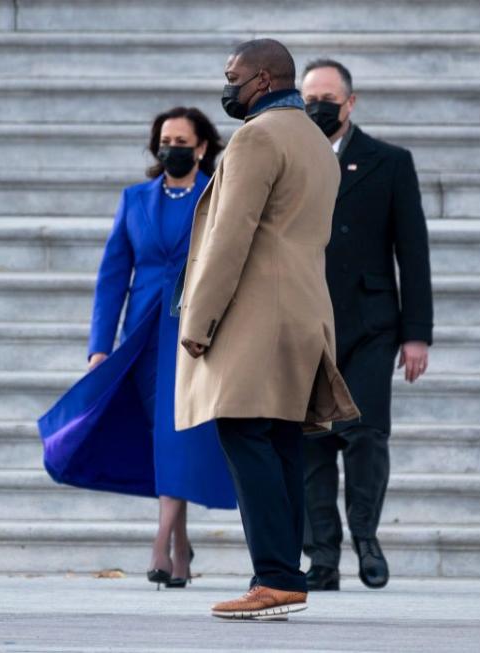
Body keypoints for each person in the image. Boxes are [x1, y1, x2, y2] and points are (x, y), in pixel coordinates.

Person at [174, 39, 360, 621]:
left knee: (244, 435)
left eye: (232, 76)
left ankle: (275, 576)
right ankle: (284, 575)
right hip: (303, 311)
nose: (226, 85)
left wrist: (199, 321)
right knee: (279, 442)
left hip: (255, 316)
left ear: (261, 78)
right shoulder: (314, 141)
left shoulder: (258, 137)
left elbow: (230, 238)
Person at [37, 107, 236, 590]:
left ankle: (162, 543)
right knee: (165, 440)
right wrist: (98, 348)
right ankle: (182, 548)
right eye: (165, 139)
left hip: (194, 335)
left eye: (182, 139)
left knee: (177, 435)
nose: (173, 147)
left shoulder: (220, 194)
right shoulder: (134, 200)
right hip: (142, 338)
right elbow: (111, 278)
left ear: (202, 146)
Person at [300, 59, 433, 591]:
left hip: (371, 324)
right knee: (310, 443)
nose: (319, 106)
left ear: (350, 103)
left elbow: (413, 251)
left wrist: (416, 332)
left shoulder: (389, 162)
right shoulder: (288, 160)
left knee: (366, 436)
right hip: (305, 320)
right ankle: (322, 558)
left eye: (329, 97)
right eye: (309, 96)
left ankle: (366, 539)